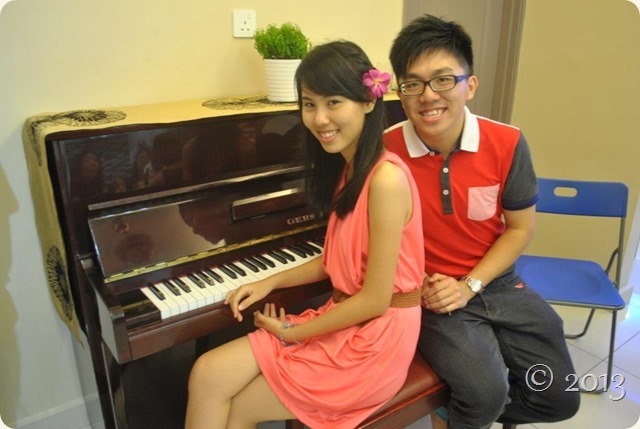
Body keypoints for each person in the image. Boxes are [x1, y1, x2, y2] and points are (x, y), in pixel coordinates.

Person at [185, 40, 425, 429]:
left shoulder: (385, 180)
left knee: (242, 407)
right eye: (309, 104)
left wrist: (293, 331)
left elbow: (375, 300)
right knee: (207, 373)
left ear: (368, 100)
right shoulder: (350, 170)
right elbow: (334, 262)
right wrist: (270, 280)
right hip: (344, 318)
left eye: (334, 102)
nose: (319, 118)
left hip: (376, 338)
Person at [385, 14, 580, 429]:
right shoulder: (385, 151)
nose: (428, 96)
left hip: (495, 280)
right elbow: (371, 238)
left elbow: (519, 228)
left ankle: (454, 409)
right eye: (412, 84)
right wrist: (425, 282)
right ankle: (472, 408)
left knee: (560, 399)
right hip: (431, 291)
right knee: (484, 391)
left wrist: (470, 285)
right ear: (401, 95)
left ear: (469, 85)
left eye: (443, 80)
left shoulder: (508, 142)